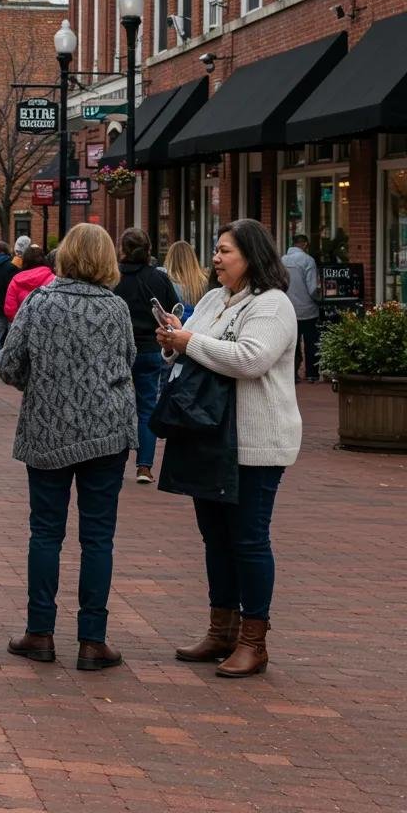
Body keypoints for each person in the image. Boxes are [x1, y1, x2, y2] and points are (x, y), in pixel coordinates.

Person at [156, 219, 300, 678]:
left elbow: (251, 360)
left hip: (254, 442)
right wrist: (174, 340)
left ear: (251, 257)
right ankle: (221, 630)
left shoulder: (273, 306)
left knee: (249, 540)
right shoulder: (215, 299)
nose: (215, 259)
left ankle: (253, 641)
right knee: (215, 539)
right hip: (207, 435)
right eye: (215, 251)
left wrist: (190, 340)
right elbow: (197, 346)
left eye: (225, 252)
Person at [0, 223, 137, 670]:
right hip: (107, 430)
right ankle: (92, 640)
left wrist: (40, 384)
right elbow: (128, 361)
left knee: (46, 532)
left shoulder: (40, 303)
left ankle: (40, 632)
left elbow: (8, 365)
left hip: (48, 429)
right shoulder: (116, 308)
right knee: (98, 538)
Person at [113, 227, 180, 485]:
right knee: (146, 407)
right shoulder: (158, 278)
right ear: (148, 249)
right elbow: (174, 310)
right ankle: (144, 466)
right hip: (150, 350)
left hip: (118, 350)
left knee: (117, 405)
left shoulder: (112, 278)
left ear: (122, 249)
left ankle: (115, 461)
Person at [281, 233, 320, 382]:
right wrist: (320, 299)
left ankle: (293, 374)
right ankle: (312, 374)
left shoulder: (282, 260)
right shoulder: (308, 260)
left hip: (289, 310)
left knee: (292, 345)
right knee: (311, 344)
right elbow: (312, 288)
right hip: (309, 311)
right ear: (304, 244)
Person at [4, 246, 56, 321]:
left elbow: (10, 311)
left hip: (20, 326)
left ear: (25, 261)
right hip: (45, 327)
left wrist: (21, 321)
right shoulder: (53, 279)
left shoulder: (16, 280)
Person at [163, 240, 210, 322]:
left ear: (170, 258)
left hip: (175, 328)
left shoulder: (166, 280)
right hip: (196, 328)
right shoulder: (204, 282)